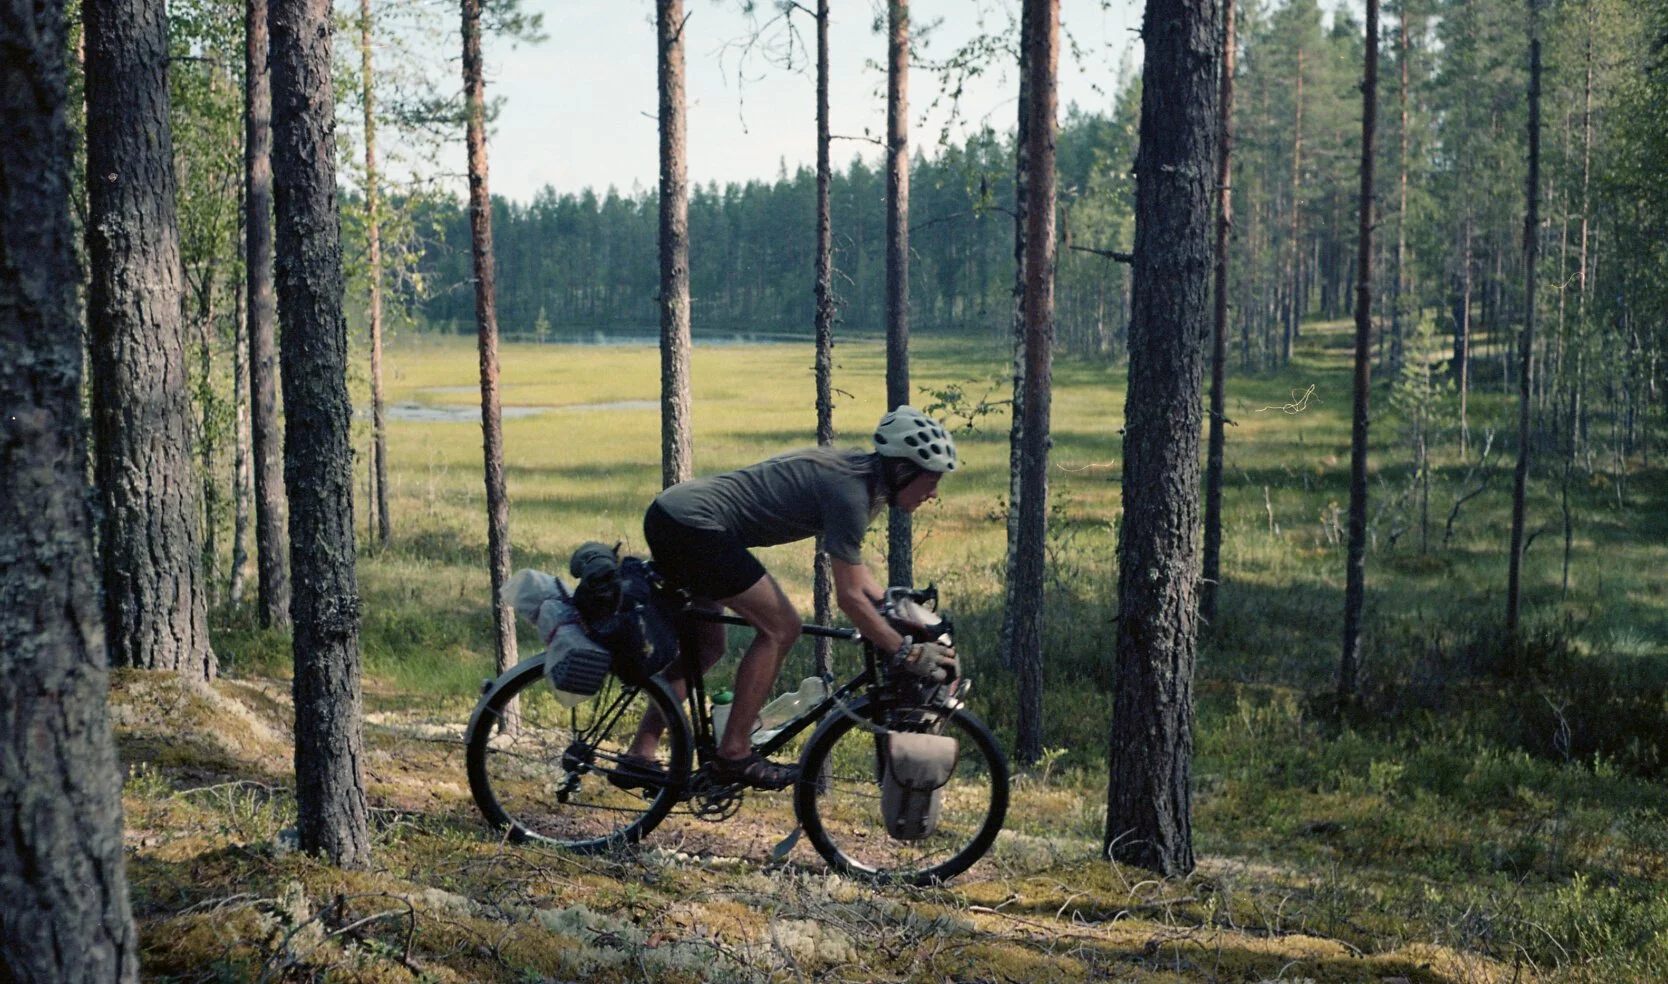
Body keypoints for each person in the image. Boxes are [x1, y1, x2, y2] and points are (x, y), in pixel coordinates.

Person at [622, 406, 960, 790]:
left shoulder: (863, 483)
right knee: (782, 628)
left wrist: (893, 608)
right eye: (931, 480)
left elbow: (857, 576)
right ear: (902, 471)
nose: (934, 493)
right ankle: (734, 753)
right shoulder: (851, 494)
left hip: (674, 515)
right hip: (693, 525)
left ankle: (640, 754)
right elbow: (850, 598)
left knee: (706, 648)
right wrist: (906, 652)